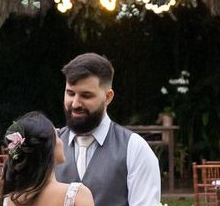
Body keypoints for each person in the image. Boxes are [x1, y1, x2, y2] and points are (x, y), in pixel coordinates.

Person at [55, 53, 161, 206]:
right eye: (70, 93)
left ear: (108, 97)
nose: (75, 103)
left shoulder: (135, 149)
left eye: (86, 95)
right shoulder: (49, 145)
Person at [0, 111, 94, 206]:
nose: (61, 141)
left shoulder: (10, 200)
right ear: (49, 146)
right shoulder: (77, 195)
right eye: (57, 134)